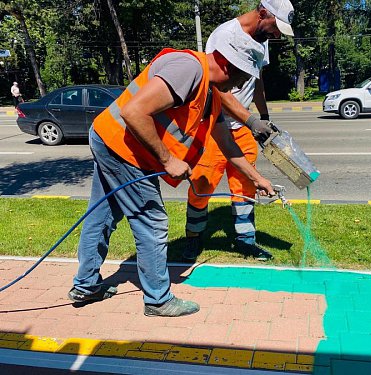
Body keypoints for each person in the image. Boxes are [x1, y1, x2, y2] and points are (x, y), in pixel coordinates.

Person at [68, 32, 275, 318]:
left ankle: (86, 285)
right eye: (242, 77)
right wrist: (168, 160)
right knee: (152, 220)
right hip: (122, 148)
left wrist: (257, 179)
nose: (241, 85)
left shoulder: (210, 94)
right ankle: (158, 300)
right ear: (229, 65)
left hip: (111, 139)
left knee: (101, 214)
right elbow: (134, 111)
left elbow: (227, 144)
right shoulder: (188, 69)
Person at [184, 0, 294, 261]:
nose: (277, 34)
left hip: (245, 128)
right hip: (214, 127)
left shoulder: (262, 39)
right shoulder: (224, 36)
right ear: (263, 12)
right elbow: (217, 88)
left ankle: (246, 241)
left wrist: (263, 117)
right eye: (276, 27)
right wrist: (250, 119)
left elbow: (257, 80)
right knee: (202, 185)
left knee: (245, 187)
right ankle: (193, 238)